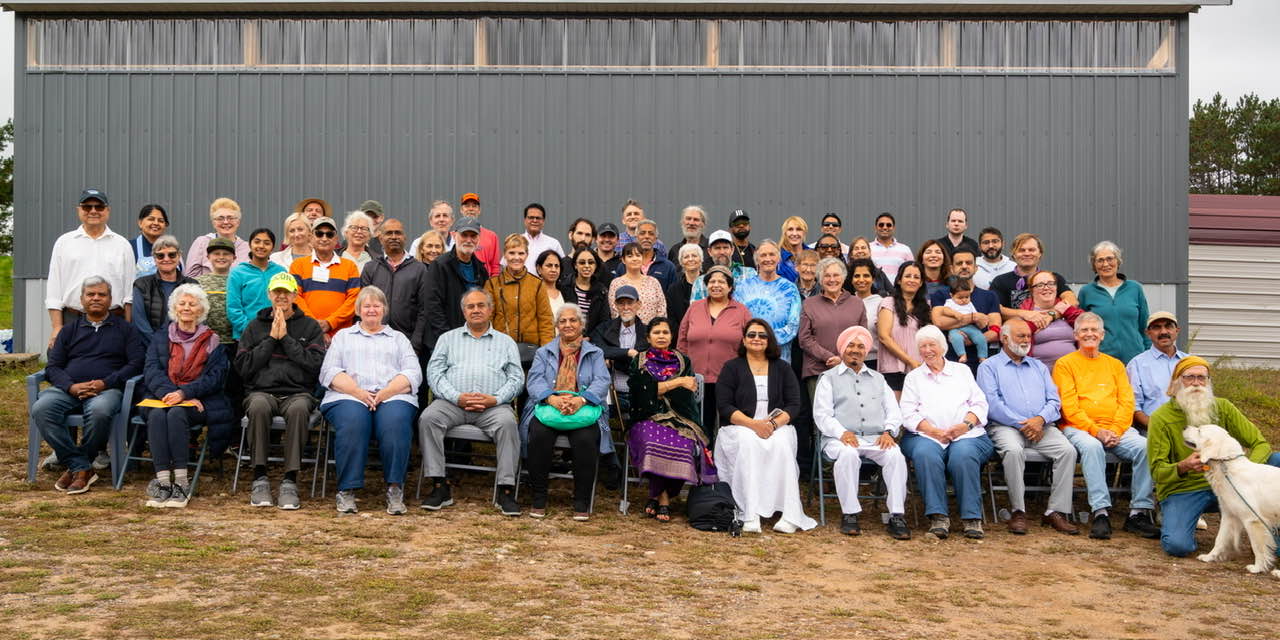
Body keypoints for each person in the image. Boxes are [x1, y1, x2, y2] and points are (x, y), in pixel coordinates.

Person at [1146, 356, 1280, 556]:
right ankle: (1173, 514)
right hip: (1186, 488)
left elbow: (1260, 443)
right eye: (1189, 377)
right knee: (1177, 546)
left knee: (1276, 460)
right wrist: (1183, 466)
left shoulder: (1223, 407)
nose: (1196, 383)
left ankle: (1272, 533)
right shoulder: (1160, 418)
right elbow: (1157, 472)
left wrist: (1245, 469)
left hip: (1232, 483)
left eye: (1202, 378)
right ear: (1176, 382)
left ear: (1208, 382)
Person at [1051, 312, 1159, 540]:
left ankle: (1138, 512)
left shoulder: (1115, 365)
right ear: (1075, 335)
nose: (1089, 334)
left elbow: (1127, 402)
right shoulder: (1065, 364)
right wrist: (1097, 431)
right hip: (1079, 427)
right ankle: (1100, 512)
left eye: (1094, 330)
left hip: (1117, 429)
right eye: (1084, 330)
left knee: (1146, 447)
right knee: (1092, 447)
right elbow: (1069, 407)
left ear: (1102, 335)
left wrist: (1115, 430)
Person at [33, 277, 145, 494]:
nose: (96, 298)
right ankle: (81, 466)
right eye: (90, 294)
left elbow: (136, 363)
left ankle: (78, 467)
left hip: (107, 390)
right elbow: (53, 367)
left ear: (110, 300)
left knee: (100, 411)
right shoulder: (69, 330)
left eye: (102, 294)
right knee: (41, 408)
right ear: (82, 299)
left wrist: (105, 383)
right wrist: (70, 387)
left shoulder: (126, 330)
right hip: (69, 389)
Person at [419, 289, 524, 515]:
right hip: (452, 404)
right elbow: (434, 374)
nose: (476, 310)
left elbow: (517, 378)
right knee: (428, 418)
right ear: (463, 311)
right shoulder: (447, 339)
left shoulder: (506, 342)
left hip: (493, 407)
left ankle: (505, 490)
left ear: (490, 309)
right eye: (470, 306)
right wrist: (456, 397)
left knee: (508, 424)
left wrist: (495, 399)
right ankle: (439, 486)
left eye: (481, 305)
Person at [319, 286, 422, 515]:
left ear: (384, 309)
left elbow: (413, 373)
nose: (372, 310)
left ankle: (395, 488)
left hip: (392, 395)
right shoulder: (343, 337)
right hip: (348, 394)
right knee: (354, 421)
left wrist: (385, 393)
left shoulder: (398, 339)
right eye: (366, 306)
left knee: (396, 421)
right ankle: (346, 490)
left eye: (377, 305)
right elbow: (329, 372)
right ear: (358, 310)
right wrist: (358, 393)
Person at [976, 320, 1080, 535]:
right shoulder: (989, 367)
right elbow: (992, 404)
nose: (1026, 340)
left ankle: (1055, 511)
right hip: (1005, 426)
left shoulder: (1039, 366)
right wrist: (1022, 423)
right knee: (1014, 451)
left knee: (1067, 451)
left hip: (1042, 426)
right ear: (1005, 338)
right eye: (1020, 336)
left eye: (1028, 336)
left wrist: (1040, 419)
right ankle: (1018, 510)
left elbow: (1054, 400)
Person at [714, 320, 817, 533]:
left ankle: (789, 515)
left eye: (762, 335)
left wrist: (772, 424)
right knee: (748, 443)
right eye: (752, 335)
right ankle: (750, 513)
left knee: (782, 444)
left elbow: (794, 404)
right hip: (741, 425)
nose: (757, 339)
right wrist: (754, 425)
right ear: (744, 340)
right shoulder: (731, 367)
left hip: (776, 425)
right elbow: (724, 405)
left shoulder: (783, 367)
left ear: (769, 340)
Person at [236, 272, 327, 510]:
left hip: (298, 393)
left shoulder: (310, 326)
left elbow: (315, 365)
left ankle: (290, 479)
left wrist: (285, 339)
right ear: (269, 294)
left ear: (295, 295)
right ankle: (260, 477)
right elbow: (243, 367)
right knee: (258, 407)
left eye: (286, 292)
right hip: (261, 391)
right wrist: (270, 340)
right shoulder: (254, 326)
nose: (281, 296)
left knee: (299, 410)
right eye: (277, 292)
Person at [812, 326, 910, 538]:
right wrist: (841, 433)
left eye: (860, 346)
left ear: (866, 351)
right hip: (839, 439)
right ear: (842, 349)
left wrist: (888, 432)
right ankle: (850, 514)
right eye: (851, 345)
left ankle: (896, 515)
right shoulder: (828, 378)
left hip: (876, 438)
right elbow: (822, 415)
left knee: (895, 455)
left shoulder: (878, 378)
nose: (855, 350)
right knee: (848, 454)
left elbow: (893, 410)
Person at [140, 284, 231, 508]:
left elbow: (215, 378)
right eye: (182, 303)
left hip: (199, 400)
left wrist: (184, 393)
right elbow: (151, 370)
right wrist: (169, 393)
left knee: (176, 414)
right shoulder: (161, 338)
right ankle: (163, 483)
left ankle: (181, 483)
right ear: (174, 308)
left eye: (192, 304)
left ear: (201, 310)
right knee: (157, 415)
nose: (187, 308)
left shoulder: (213, 340)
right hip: (161, 397)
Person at [899, 325, 993, 539]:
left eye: (932, 345)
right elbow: (908, 413)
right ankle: (938, 517)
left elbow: (979, 403)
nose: (927, 350)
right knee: (926, 454)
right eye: (922, 346)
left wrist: (964, 426)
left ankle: (971, 518)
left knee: (963, 455)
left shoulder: (962, 371)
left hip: (966, 434)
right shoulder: (913, 377)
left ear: (942, 347)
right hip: (925, 435)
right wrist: (933, 431)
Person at [521, 306, 612, 520]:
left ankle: (581, 500)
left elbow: (602, 381)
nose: (568, 325)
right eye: (562, 321)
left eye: (573, 320)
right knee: (539, 435)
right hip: (549, 406)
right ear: (556, 326)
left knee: (585, 439)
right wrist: (551, 398)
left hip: (583, 408)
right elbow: (534, 381)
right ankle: (539, 497)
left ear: (581, 325)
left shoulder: (595, 353)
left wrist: (581, 400)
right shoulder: (543, 352)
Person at [627, 317, 716, 522]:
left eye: (665, 332)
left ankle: (655, 496)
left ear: (671, 336)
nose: (661, 336)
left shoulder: (683, 361)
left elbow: (686, 394)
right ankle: (664, 499)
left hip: (681, 416)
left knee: (684, 444)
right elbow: (642, 394)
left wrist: (659, 388)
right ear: (648, 337)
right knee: (652, 442)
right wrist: (677, 382)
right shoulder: (639, 360)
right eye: (656, 332)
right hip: (646, 415)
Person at [46, 188, 137, 349]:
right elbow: (54, 289)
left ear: (107, 211)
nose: (93, 211)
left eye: (99, 207)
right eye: (87, 207)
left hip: (113, 320)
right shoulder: (64, 243)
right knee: (59, 361)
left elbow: (129, 293)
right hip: (72, 319)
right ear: (79, 210)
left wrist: (128, 327)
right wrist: (57, 327)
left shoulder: (122, 245)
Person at [678, 267, 752, 441]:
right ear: (706, 285)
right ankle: (704, 457)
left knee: (728, 428)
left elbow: (749, 344)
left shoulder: (741, 311)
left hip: (729, 379)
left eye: (721, 282)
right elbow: (682, 340)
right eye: (712, 281)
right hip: (696, 379)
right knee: (700, 426)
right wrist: (683, 372)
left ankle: (725, 458)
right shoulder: (694, 308)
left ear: (730, 287)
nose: (716, 285)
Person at [361, 219, 432, 360]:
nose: (394, 237)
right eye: (389, 233)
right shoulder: (371, 268)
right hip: (374, 340)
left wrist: (415, 344)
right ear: (381, 238)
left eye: (398, 233)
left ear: (404, 237)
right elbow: (362, 307)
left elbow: (424, 310)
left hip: (407, 342)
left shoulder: (419, 269)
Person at [424, 217, 490, 353]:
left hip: (473, 340)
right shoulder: (440, 265)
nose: (468, 240)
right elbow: (432, 306)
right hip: (443, 341)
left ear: (479, 239)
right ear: (455, 235)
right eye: (464, 235)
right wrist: (448, 338)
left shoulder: (481, 269)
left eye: (473, 236)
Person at [1077, 241, 1150, 364]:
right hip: (1101, 360)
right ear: (1094, 265)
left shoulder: (1135, 288)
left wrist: (1148, 354)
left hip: (1135, 359)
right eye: (1100, 260)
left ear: (1118, 261)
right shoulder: (1087, 292)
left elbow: (1145, 325)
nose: (1105, 264)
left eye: (1110, 259)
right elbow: (1081, 329)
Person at [799, 258, 868, 383]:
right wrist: (829, 357)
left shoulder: (857, 303)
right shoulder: (809, 304)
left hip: (850, 369)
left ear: (843, 278)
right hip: (817, 371)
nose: (832, 280)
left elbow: (863, 337)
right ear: (820, 279)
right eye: (827, 276)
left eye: (836, 275)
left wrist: (843, 359)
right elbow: (805, 339)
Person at [484, 235, 555, 356]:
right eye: (512, 253)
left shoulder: (537, 284)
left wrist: (546, 353)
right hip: (499, 350)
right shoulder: (492, 284)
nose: (516, 257)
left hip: (531, 352)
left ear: (527, 255)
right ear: (505, 255)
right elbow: (487, 320)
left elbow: (546, 321)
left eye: (521, 253)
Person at [290, 217, 360, 339]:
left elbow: (354, 300)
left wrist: (330, 323)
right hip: (306, 334)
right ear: (311, 237)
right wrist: (313, 325)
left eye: (329, 234)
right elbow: (295, 297)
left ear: (336, 239)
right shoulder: (298, 265)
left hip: (342, 336)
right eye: (319, 234)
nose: (324, 238)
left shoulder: (350, 266)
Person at [734, 240, 801, 363]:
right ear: (756, 260)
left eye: (772, 254)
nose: (768, 259)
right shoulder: (742, 287)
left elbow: (793, 325)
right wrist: (754, 342)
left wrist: (764, 340)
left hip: (779, 358)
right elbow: (735, 322)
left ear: (778, 258)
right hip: (748, 357)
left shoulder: (790, 289)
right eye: (763, 255)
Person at [991, 233, 1077, 322]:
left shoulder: (1053, 278)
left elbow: (1072, 300)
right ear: (1014, 254)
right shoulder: (1000, 281)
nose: (1027, 253)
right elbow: (995, 309)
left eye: (1031, 250)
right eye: (1021, 250)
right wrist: (1025, 314)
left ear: (1040, 253)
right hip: (1016, 328)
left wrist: (1051, 314)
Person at [590, 285, 649, 411]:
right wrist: (628, 353)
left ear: (638, 304)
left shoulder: (647, 332)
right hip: (611, 393)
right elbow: (597, 349)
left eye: (630, 303)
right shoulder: (604, 328)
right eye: (621, 303)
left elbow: (646, 360)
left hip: (641, 393)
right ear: (615, 305)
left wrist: (613, 358)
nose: (626, 307)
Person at [1126, 311, 1188, 430]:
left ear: (1177, 330)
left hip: (1189, 430)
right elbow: (1134, 406)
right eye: (1157, 327)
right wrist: (1157, 427)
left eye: (1168, 326)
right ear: (1148, 333)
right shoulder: (1137, 365)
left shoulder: (1190, 363)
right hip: (1153, 430)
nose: (1163, 332)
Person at [132, 235, 196, 345]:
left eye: (172, 255)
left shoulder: (192, 285)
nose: (166, 259)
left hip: (186, 347)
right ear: (154, 259)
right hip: (150, 347)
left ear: (179, 256)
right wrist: (160, 346)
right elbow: (140, 322)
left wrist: (181, 346)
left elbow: (199, 318)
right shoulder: (141, 285)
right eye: (160, 256)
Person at [877, 262, 931, 395]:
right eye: (907, 276)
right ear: (899, 280)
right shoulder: (888, 302)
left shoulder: (926, 306)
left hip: (919, 368)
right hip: (893, 368)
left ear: (921, 283)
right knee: (895, 407)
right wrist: (910, 361)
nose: (912, 280)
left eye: (916, 277)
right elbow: (884, 337)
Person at [228, 228, 286, 341]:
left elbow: (288, 301)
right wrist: (251, 329)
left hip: (276, 334)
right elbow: (233, 308)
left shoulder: (280, 272)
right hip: (246, 336)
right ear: (250, 245)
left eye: (267, 243)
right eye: (257, 241)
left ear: (272, 247)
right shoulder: (238, 273)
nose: (261, 246)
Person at [1023, 270, 1083, 370]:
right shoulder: (1027, 312)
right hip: (1039, 372)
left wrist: (1059, 313)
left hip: (1072, 371)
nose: (1046, 288)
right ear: (1031, 290)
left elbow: (1087, 324)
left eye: (1051, 284)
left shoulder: (1065, 308)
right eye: (1040, 285)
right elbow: (1019, 333)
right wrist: (1033, 325)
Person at [185, 197, 250, 278]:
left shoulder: (247, 248)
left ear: (238, 222)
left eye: (230, 218)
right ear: (213, 223)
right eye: (220, 218)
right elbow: (190, 276)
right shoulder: (202, 243)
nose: (226, 222)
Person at [690, 230, 757, 302]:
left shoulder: (749, 274)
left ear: (732, 250)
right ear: (709, 252)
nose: (722, 252)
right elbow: (696, 308)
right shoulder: (700, 282)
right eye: (717, 248)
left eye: (725, 247)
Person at [608, 243, 667, 323]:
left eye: (638, 255)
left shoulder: (653, 282)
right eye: (630, 256)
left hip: (652, 329)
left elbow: (661, 309)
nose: (635, 259)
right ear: (623, 260)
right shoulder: (616, 283)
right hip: (626, 328)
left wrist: (656, 328)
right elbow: (614, 311)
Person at [195, 238, 237, 346]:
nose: (221, 257)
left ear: (234, 258)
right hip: (206, 342)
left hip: (235, 341)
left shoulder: (239, 281)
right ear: (208, 257)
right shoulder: (197, 282)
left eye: (226, 254)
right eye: (216, 254)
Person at [613, 219, 677, 290]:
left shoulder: (668, 267)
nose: (647, 236)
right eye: (642, 233)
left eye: (651, 234)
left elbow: (672, 294)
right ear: (636, 237)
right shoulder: (624, 266)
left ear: (656, 238)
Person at [559, 247, 609, 335]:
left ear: (596, 265)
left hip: (591, 339)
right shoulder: (564, 287)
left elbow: (604, 322)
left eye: (591, 262)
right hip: (565, 336)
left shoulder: (602, 291)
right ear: (575, 265)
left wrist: (590, 338)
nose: (587, 266)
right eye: (582, 263)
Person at [937, 279, 988, 364]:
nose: (964, 300)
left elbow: (975, 314)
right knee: (956, 338)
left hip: (970, 326)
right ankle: (962, 354)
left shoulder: (969, 304)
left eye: (967, 297)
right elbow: (945, 310)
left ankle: (982, 356)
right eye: (960, 298)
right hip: (954, 327)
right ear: (951, 295)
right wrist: (954, 313)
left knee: (980, 337)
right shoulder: (950, 302)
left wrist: (977, 319)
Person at [847, 258, 884, 370]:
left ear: (873, 279)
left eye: (866, 276)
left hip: (874, 362)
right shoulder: (845, 302)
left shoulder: (882, 303)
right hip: (848, 361)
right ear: (851, 279)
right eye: (857, 276)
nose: (861, 280)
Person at [457, 192, 501, 277]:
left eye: (474, 206)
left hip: (484, 281)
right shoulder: (454, 235)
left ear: (479, 210)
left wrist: (492, 283)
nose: (471, 209)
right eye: (467, 206)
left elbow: (495, 266)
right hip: (460, 280)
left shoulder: (492, 236)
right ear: (461, 210)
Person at [513, 203, 564, 272]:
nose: (534, 220)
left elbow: (562, 267)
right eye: (531, 217)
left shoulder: (553, 243)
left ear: (543, 221)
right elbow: (505, 265)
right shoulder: (515, 241)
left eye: (538, 218)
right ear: (525, 220)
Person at [665, 243, 704, 330]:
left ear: (701, 259)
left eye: (694, 256)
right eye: (686, 257)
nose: (690, 259)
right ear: (681, 262)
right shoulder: (673, 290)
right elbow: (671, 318)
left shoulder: (709, 285)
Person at [869, 212, 914, 281]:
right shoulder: (867, 248)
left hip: (897, 288)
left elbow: (912, 272)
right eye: (881, 225)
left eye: (889, 225)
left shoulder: (905, 250)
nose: (885, 227)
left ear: (893, 228)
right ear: (875, 228)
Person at [132, 204, 170, 277]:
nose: (156, 223)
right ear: (140, 223)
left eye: (161, 221)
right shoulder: (129, 247)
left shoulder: (172, 249)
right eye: (151, 219)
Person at [535, 250, 569, 322]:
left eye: (557, 266)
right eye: (549, 265)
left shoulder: (567, 293)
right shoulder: (534, 293)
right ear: (539, 269)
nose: (553, 270)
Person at [777, 216, 809, 282]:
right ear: (785, 233)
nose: (794, 233)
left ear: (804, 232)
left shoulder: (813, 254)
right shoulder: (776, 255)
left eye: (799, 229)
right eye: (790, 229)